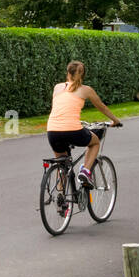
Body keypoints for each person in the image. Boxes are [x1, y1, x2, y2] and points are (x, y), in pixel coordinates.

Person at [46, 60, 122, 189]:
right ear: (83, 75)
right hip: (73, 130)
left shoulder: (57, 87)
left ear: (68, 73)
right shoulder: (86, 90)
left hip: (52, 130)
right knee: (95, 142)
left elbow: (58, 109)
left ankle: (61, 201)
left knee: (62, 166)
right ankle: (85, 172)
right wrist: (115, 120)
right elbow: (101, 107)